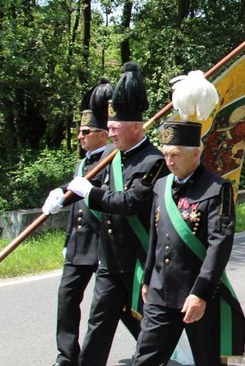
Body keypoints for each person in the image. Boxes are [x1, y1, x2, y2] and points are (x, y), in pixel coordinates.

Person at [63, 62, 168, 365]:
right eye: (108, 127)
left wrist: (91, 193)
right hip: (110, 261)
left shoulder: (155, 161)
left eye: (114, 127)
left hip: (141, 261)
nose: (110, 133)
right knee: (99, 327)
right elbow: (87, 185)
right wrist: (63, 195)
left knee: (150, 334)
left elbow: (131, 201)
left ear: (136, 127)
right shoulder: (111, 159)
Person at [132, 120, 245, 365]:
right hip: (160, 291)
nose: (169, 161)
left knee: (208, 360)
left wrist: (200, 294)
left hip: (196, 294)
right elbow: (156, 236)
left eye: (174, 155)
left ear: (195, 154)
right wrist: (147, 277)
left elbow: (219, 245)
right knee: (144, 359)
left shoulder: (218, 189)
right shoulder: (161, 185)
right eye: (165, 155)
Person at [43, 79, 112, 366]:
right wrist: (66, 241)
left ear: (102, 135)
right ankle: (67, 355)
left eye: (86, 132)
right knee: (67, 299)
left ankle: (158, 345)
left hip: (104, 243)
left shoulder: (112, 157)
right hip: (79, 244)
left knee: (112, 307)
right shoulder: (82, 163)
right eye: (80, 131)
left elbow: (99, 191)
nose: (80, 137)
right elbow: (76, 208)